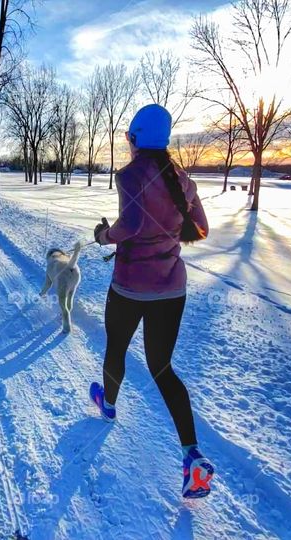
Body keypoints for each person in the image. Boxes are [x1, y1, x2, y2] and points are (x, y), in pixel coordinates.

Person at [89, 104, 214, 499]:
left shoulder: (130, 174)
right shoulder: (183, 178)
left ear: (137, 138)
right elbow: (201, 229)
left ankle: (108, 405)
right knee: (162, 367)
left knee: (116, 349)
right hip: (171, 288)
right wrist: (169, 237)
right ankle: (192, 456)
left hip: (130, 285)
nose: (127, 144)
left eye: (129, 137)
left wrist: (103, 236)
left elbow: (131, 226)